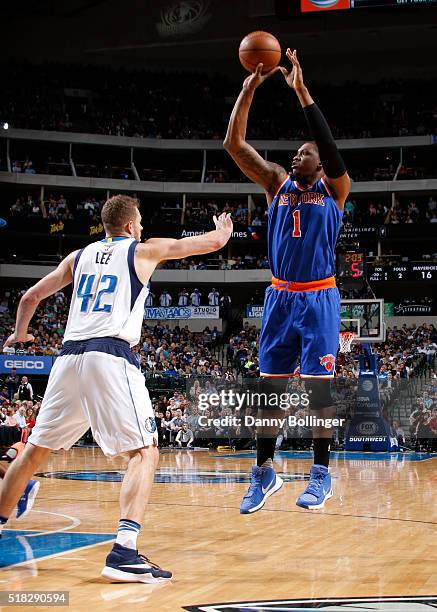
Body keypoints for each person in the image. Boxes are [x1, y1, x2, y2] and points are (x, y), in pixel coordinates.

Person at [0, 194, 233, 582]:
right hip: (109, 354)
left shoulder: (78, 256)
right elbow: (204, 244)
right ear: (129, 226)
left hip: (67, 358)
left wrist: (20, 334)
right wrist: (223, 234)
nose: (141, 227)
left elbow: (30, 297)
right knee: (145, 452)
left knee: (33, 454)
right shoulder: (143, 250)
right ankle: (124, 550)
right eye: (139, 221)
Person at [224, 50, 350, 513]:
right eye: (297, 151)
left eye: (307, 152)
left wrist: (301, 91)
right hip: (279, 297)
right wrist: (247, 89)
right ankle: (264, 473)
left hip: (319, 298)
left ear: (320, 165)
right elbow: (234, 146)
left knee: (319, 392)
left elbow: (329, 146)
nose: (299, 154)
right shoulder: (276, 182)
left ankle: (321, 475)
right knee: (269, 391)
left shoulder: (335, 192)